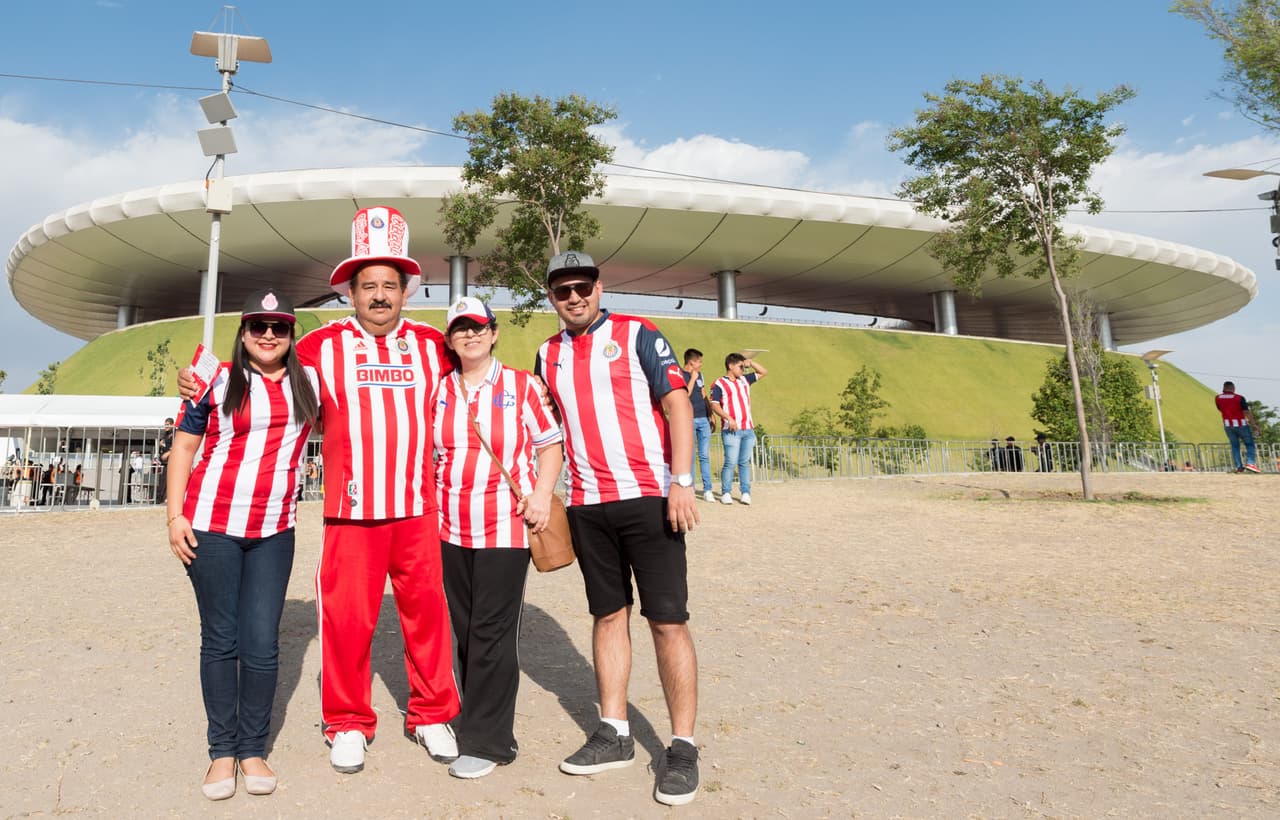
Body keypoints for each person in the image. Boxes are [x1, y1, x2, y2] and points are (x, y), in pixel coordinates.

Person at [177, 206, 461, 775]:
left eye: (389, 286)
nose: (379, 296)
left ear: (406, 290)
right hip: (350, 513)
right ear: (350, 292)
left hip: (416, 509)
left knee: (427, 614)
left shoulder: (435, 345)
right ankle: (348, 722)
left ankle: (431, 713)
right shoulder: (320, 346)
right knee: (348, 620)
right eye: (368, 286)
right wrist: (195, 377)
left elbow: (479, 375)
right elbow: (258, 356)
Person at [535, 250, 703, 807]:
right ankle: (615, 733)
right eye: (563, 290)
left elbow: (677, 404)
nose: (575, 297)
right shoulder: (546, 353)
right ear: (552, 297)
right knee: (607, 615)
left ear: (599, 287)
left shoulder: (638, 333)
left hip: (647, 499)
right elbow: (550, 429)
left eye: (583, 286)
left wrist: (681, 480)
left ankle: (681, 746)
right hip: (587, 506)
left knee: (667, 622)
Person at [166, 288, 320, 800]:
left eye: (279, 327)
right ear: (244, 332)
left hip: (275, 530)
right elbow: (183, 446)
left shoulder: (311, 382)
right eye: (258, 326)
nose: (269, 335)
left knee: (262, 643)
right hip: (212, 528)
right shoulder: (217, 379)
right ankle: (222, 752)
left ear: (292, 334)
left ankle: (253, 748)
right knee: (221, 640)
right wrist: (174, 517)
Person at [432, 296, 564, 779]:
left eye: (478, 327)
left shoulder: (521, 386)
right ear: (450, 339)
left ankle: (490, 742)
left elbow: (550, 443)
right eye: (460, 329)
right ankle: (474, 716)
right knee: (465, 629)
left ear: (493, 333)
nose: (470, 335)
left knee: (492, 630)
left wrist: (542, 494)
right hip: (450, 526)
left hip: (505, 525)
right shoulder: (439, 390)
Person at [710, 352, 769, 505]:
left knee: (744, 462)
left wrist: (751, 363)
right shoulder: (719, 383)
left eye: (743, 366)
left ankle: (745, 492)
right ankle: (726, 492)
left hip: (748, 429)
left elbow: (763, 372)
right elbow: (714, 404)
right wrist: (728, 418)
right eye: (740, 366)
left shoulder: (744, 380)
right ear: (730, 366)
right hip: (731, 431)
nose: (743, 369)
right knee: (730, 462)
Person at [680, 349, 716, 502]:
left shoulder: (700, 375)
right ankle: (691, 489)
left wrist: (711, 413)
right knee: (691, 457)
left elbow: (703, 394)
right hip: (690, 419)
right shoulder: (681, 374)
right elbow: (683, 396)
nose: (701, 364)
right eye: (699, 361)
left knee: (704, 455)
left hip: (703, 419)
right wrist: (692, 379)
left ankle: (708, 490)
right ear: (691, 362)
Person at [1215, 381, 1261, 473]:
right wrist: (1254, 425)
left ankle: (1239, 467)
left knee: (1235, 446)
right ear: (1233, 388)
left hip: (1228, 425)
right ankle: (1250, 463)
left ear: (1224, 388)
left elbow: (1220, 409)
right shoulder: (1239, 398)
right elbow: (1246, 412)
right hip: (1241, 425)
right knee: (1249, 444)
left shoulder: (1217, 398)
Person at [156, 417, 174, 504]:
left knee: (167, 481)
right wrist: (160, 445)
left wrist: (168, 453)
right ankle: (161, 499)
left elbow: (176, 446)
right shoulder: (164, 434)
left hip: (172, 461)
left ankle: (163, 499)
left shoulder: (174, 434)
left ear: (172, 425)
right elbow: (162, 444)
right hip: (164, 462)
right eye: (165, 424)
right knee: (163, 480)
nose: (166, 426)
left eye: (168, 424)